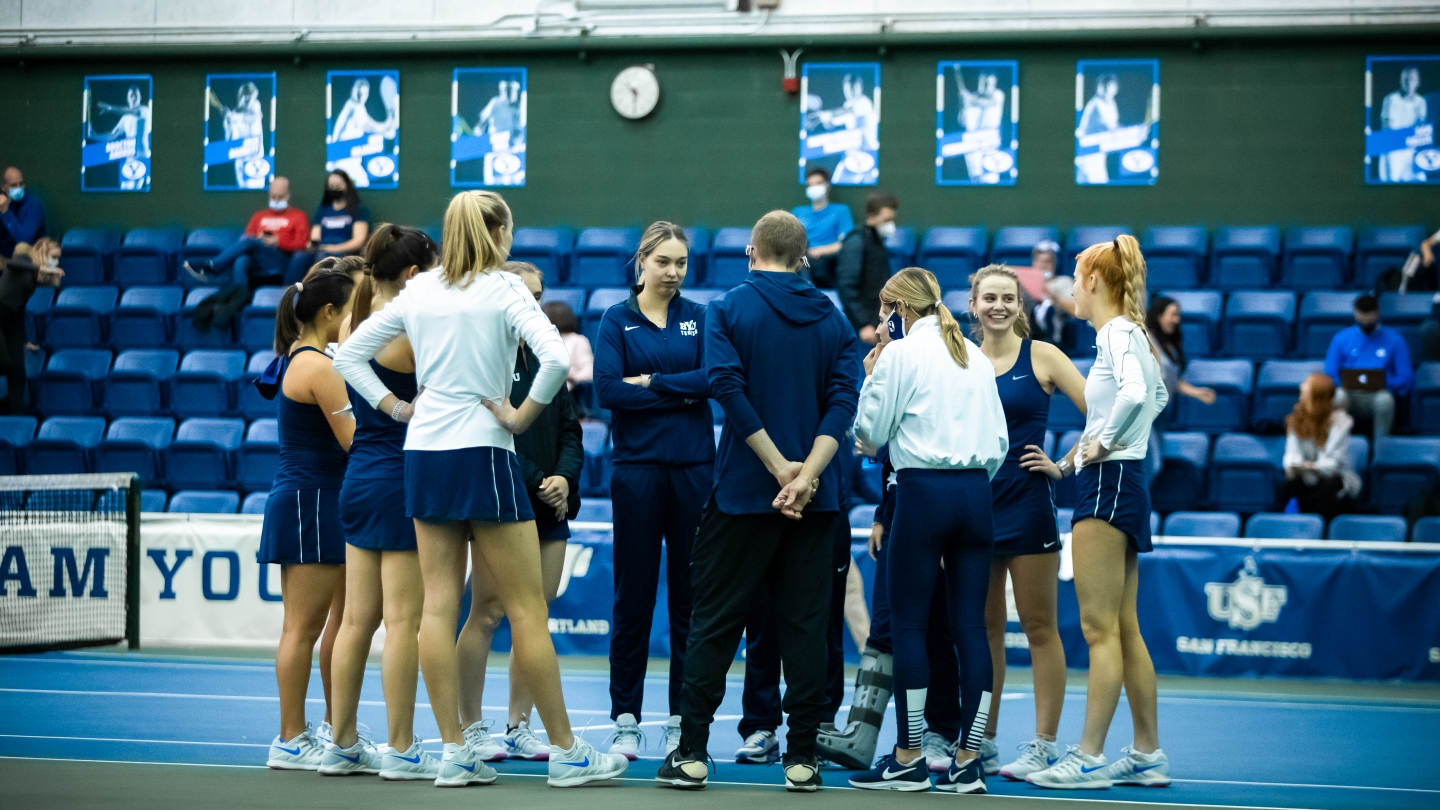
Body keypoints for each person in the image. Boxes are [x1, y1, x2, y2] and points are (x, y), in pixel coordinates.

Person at [333, 190, 627, 788]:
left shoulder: (421, 290)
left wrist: (395, 407)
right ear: (499, 233)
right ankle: (568, 754)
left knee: (435, 611)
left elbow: (348, 355)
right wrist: (519, 417)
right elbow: (553, 361)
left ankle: (451, 751)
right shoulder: (504, 288)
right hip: (484, 451)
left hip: (424, 456)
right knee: (527, 610)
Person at [657, 210, 860, 792]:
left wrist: (777, 471)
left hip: (744, 496)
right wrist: (806, 475)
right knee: (804, 630)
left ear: (751, 251)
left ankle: (692, 753)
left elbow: (725, 386)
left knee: (715, 624)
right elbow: (842, 403)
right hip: (814, 503)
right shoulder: (835, 319)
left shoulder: (726, 308)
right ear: (803, 257)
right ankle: (801, 760)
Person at [847, 267, 1007, 794]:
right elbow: (1001, 444)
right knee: (972, 631)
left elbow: (869, 437)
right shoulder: (975, 356)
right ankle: (968, 762)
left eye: (883, 312)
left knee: (912, 629)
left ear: (899, 310)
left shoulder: (899, 355)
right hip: (976, 498)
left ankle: (910, 756)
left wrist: (872, 375)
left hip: (921, 494)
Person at [1025, 235, 1171, 790]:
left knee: (1097, 628)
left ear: (1092, 282)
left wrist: (1104, 448)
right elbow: (1150, 400)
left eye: (1075, 275)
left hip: (1109, 486)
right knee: (1123, 627)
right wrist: (1071, 460)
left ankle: (1087, 756)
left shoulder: (1115, 332)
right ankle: (1147, 752)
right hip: (1120, 481)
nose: (1069, 289)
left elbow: (1135, 397)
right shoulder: (1131, 334)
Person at [317, 226, 440, 779]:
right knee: (403, 621)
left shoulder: (350, 320)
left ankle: (339, 744)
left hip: (361, 474)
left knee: (354, 624)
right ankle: (401, 747)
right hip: (398, 476)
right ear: (414, 275)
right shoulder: (413, 328)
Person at [455, 260, 586, 763]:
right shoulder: (484, 356)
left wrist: (564, 480)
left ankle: (518, 726)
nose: (533, 305)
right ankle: (469, 728)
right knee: (486, 614)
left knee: (536, 615)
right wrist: (538, 478)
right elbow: (492, 431)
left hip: (551, 505)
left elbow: (570, 430)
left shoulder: (547, 355)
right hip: (502, 499)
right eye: (523, 295)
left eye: (538, 295)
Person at [590, 223, 711, 758]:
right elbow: (609, 390)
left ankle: (683, 719)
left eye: (681, 262)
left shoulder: (699, 317)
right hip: (636, 472)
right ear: (642, 261)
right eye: (664, 261)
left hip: (692, 471)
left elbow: (712, 380)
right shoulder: (616, 319)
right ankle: (626, 716)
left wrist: (655, 384)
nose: (673, 271)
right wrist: (677, 391)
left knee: (690, 601)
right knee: (632, 598)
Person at [967, 265, 1087, 781]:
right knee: (986, 629)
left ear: (1021, 305)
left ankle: (1042, 744)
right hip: (972, 508)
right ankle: (983, 741)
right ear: (973, 305)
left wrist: (1063, 464)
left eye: (1007, 298)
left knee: (1039, 628)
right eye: (988, 297)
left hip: (1030, 506)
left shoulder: (1043, 355)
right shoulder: (961, 360)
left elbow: (1105, 415)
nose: (998, 305)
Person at [258, 267, 356, 771]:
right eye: (353, 305)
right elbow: (355, 441)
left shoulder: (311, 359)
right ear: (329, 313)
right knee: (302, 628)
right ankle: (290, 738)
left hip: (321, 499)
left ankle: (329, 731)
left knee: (326, 626)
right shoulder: (317, 366)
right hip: (309, 501)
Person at [184, 177, 310, 286]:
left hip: (281, 261)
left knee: (250, 242)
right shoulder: (259, 215)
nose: (276, 200)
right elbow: (245, 239)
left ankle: (214, 266)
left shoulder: (298, 216)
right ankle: (239, 298)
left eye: (280, 197)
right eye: (273, 196)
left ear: (288, 195)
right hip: (259, 258)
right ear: (269, 195)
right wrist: (259, 240)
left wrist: (278, 242)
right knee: (241, 260)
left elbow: (302, 245)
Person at [1324, 294, 1414, 445]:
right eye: (1362, 320)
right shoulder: (1341, 338)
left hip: (1378, 393)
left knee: (1385, 401)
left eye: (1369, 320)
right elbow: (1330, 374)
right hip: (1349, 394)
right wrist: (1345, 381)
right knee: (1337, 397)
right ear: (1355, 314)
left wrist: (1382, 380)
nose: (1366, 324)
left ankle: (1381, 448)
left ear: (1377, 313)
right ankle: (1337, 447)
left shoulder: (1395, 340)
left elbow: (1405, 378)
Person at [1282, 372, 1361, 520]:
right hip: (1307, 475)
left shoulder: (1341, 422)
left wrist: (1305, 466)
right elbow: (1290, 458)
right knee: (1286, 484)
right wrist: (1306, 467)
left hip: (1335, 478)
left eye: (1306, 384)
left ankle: (1326, 534)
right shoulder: (1295, 420)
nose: (1301, 387)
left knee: (1328, 486)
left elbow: (1331, 466)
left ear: (1317, 395)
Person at [0, 246, 62, 414]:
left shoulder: (33, 283)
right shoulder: (22, 262)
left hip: (10, 319)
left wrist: (25, 341)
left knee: (18, 373)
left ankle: (16, 415)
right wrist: (41, 267)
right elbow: (12, 264)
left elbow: (19, 313)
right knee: (5, 363)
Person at [287, 170, 370, 285]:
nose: (334, 189)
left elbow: (358, 241)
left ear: (347, 186)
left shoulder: (357, 210)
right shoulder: (323, 210)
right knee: (299, 256)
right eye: (331, 186)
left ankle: (315, 290)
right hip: (322, 248)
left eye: (338, 186)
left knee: (325, 257)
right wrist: (312, 244)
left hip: (344, 251)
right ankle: (289, 291)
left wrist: (334, 248)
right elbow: (315, 236)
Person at [1146, 296, 1216, 428]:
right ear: (1159, 316)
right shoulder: (1144, 342)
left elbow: (1171, 380)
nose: (1177, 320)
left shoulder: (1169, 348)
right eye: (1173, 315)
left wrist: (1197, 392)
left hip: (1159, 413)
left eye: (1178, 315)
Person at [837, 193, 898, 343]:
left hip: (878, 320)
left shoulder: (878, 243)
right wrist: (863, 323)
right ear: (871, 217)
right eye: (886, 220)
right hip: (863, 328)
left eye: (892, 220)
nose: (891, 225)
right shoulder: (855, 242)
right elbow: (847, 286)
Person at [791, 167, 854, 288]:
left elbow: (845, 243)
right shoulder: (798, 212)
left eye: (818, 184)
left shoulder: (841, 211)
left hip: (826, 262)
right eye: (810, 185)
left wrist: (819, 251)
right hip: (800, 260)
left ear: (827, 186)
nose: (814, 187)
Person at [1380, 67, 1427, 183]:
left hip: (1413, 150)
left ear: (1418, 82)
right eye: (1405, 79)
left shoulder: (1421, 102)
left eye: (1412, 79)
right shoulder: (1390, 99)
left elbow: (1422, 127)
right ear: (1401, 81)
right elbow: (1387, 126)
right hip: (1393, 150)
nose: (1409, 83)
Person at [1076, 74, 1120, 185]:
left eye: (1113, 87)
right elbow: (1110, 127)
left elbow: (1116, 125)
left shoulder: (1111, 102)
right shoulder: (1095, 105)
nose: (1110, 90)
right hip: (1087, 154)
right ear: (1101, 87)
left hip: (1099, 153)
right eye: (1107, 86)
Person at [542, 301, 594, 389]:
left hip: (564, 389)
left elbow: (589, 372)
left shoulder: (578, 340)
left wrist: (570, 376)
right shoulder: (540, 340)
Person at [1029, 241, 1071, 345]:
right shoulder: (1024, 284)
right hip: (1028, 337)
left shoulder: (1064, 282)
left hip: (1054, 339)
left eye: (1048, 261)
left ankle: (1046, 313)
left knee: (1048, 308)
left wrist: (1052, 296)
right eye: (1039, 261)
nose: (1043, 265)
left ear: (1055, 263)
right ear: (1034, 263)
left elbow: (1075, 311)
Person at [0, 167, 46, 259]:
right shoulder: (2, 200)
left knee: (21, 248)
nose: (18, 188)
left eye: (21, 184)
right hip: (4, 253)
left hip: (29, 255)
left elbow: (23, 239)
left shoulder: (33, 205)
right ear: (3, 187)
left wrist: (5, 212)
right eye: (13, 185)